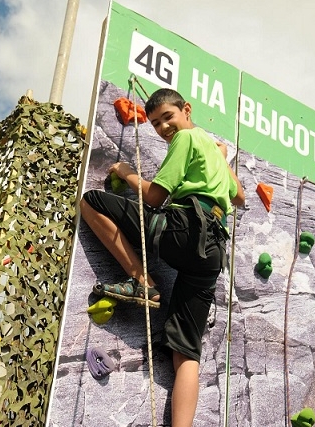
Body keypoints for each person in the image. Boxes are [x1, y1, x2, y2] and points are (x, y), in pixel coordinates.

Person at [79, 88, 245, 426]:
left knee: (91, 201)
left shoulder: (186, 138)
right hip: (211, 251)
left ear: (186, 110)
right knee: (186, 351)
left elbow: (155, 196)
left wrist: (126, 173)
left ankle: (144, 282)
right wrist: (222, 160)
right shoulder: (212, 150)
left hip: (182, 230)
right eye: (155, 123)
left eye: (167, 117)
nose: (163, 127)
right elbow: (240, 197)